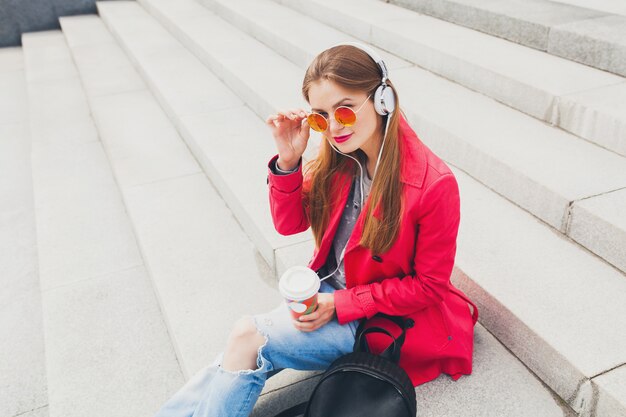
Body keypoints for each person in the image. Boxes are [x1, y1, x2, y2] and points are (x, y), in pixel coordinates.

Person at [154, 42, 478, 417]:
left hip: (373, 318)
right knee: (237, 351)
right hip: (325, 292)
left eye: (345, 109)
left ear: (382, 99)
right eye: (322, 117)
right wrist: (289, 161)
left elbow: (429, 286)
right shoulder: (340, 162)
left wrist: (339, 304)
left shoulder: (433, 183)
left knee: (247, 337)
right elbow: (288, 223)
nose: (335, 127)